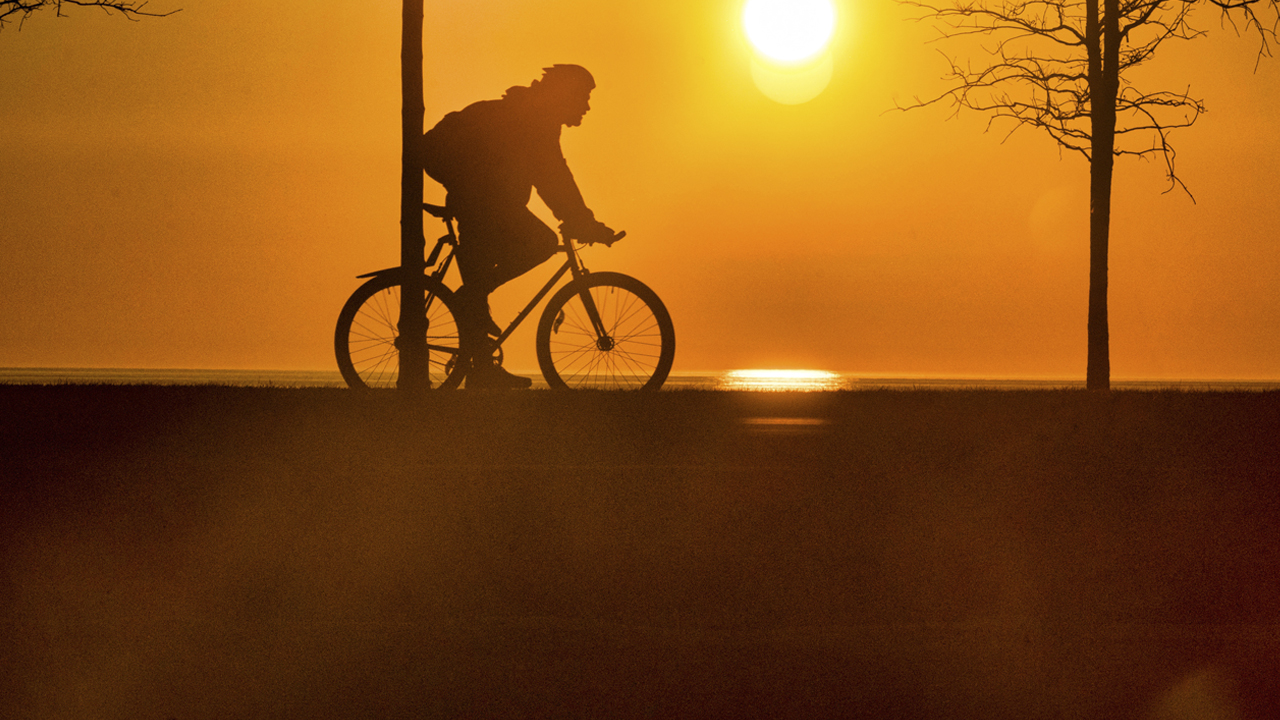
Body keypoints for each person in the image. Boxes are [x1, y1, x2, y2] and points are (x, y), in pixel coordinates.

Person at [420, 64, 618, 389]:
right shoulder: (532, 119)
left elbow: (553, 178)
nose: (586, 106)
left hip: (481, 196)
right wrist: (584, 223)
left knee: (481, 276)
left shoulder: (534, 116)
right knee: (540, 241)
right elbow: (553, 177)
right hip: (478, 196)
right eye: (583, 97)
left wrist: (583, 221)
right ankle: (470, 296)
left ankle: (481, 367)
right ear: (564, 95)